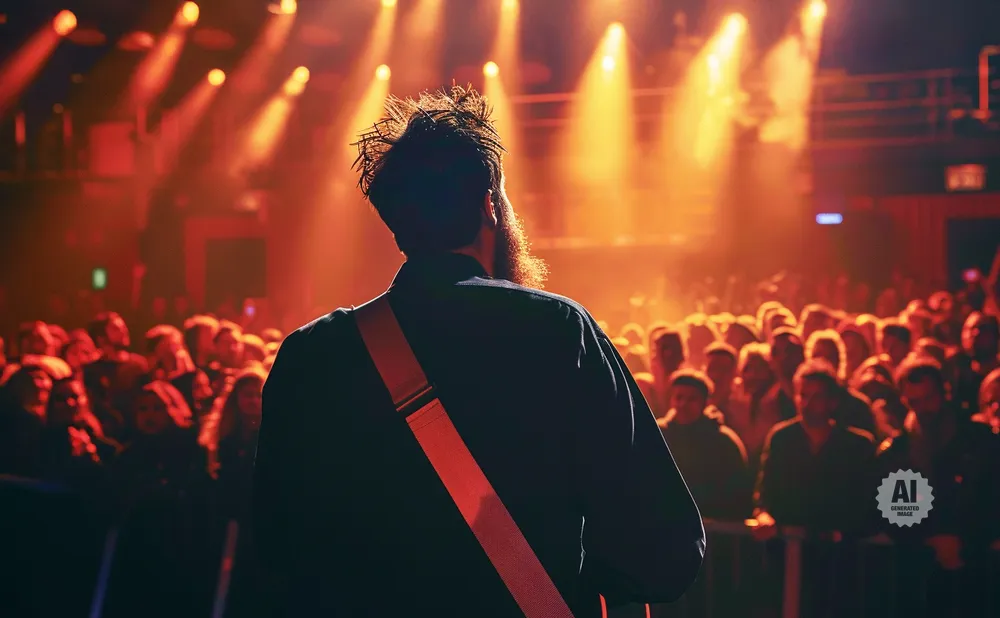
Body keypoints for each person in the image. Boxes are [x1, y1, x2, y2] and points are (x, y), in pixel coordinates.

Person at [253, 86, 705, 618]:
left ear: (397, 225)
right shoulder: (559, 332)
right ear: (491, 205)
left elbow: (274, 554)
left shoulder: (311, 357)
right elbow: (661, 549)